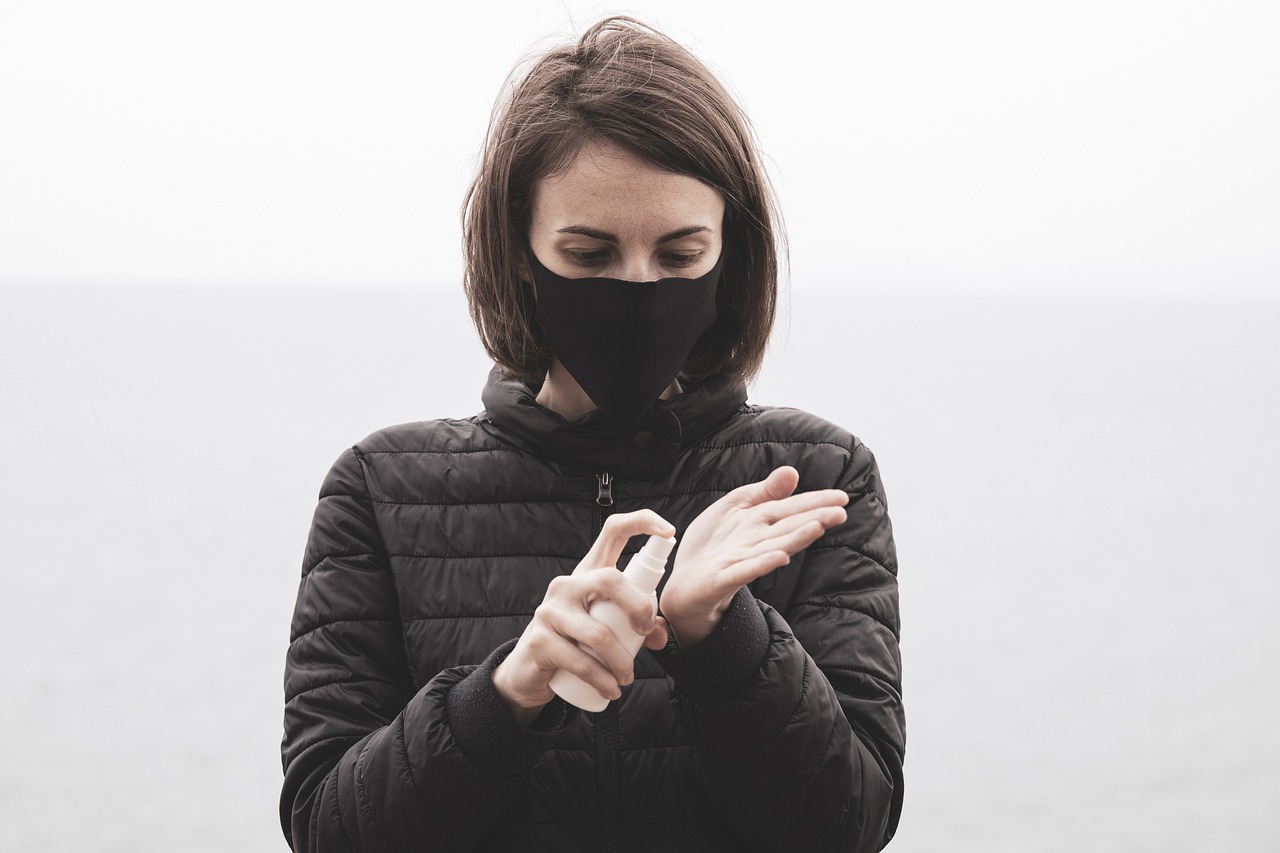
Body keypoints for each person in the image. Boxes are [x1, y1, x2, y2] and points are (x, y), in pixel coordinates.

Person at [280, 15, 904, 853]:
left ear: (732, 254)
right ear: (518, 252)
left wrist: (720, 636)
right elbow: (328, 830)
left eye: (681, 256)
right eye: (589, 253)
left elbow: (848, 825)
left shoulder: (817, 478)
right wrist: (508, 691)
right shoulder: (379, 488)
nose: (637, 288)